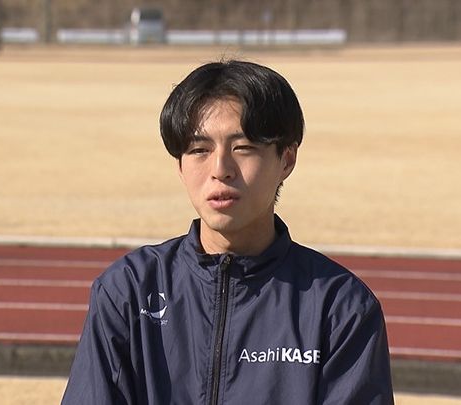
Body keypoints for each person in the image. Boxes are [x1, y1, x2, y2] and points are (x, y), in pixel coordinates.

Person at [62, 60, 394, 404]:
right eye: (199, 150)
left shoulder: (340, 306)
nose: (220, 170)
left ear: (287, 159)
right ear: (180, 166)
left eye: (243, 147)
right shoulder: (128, 289)